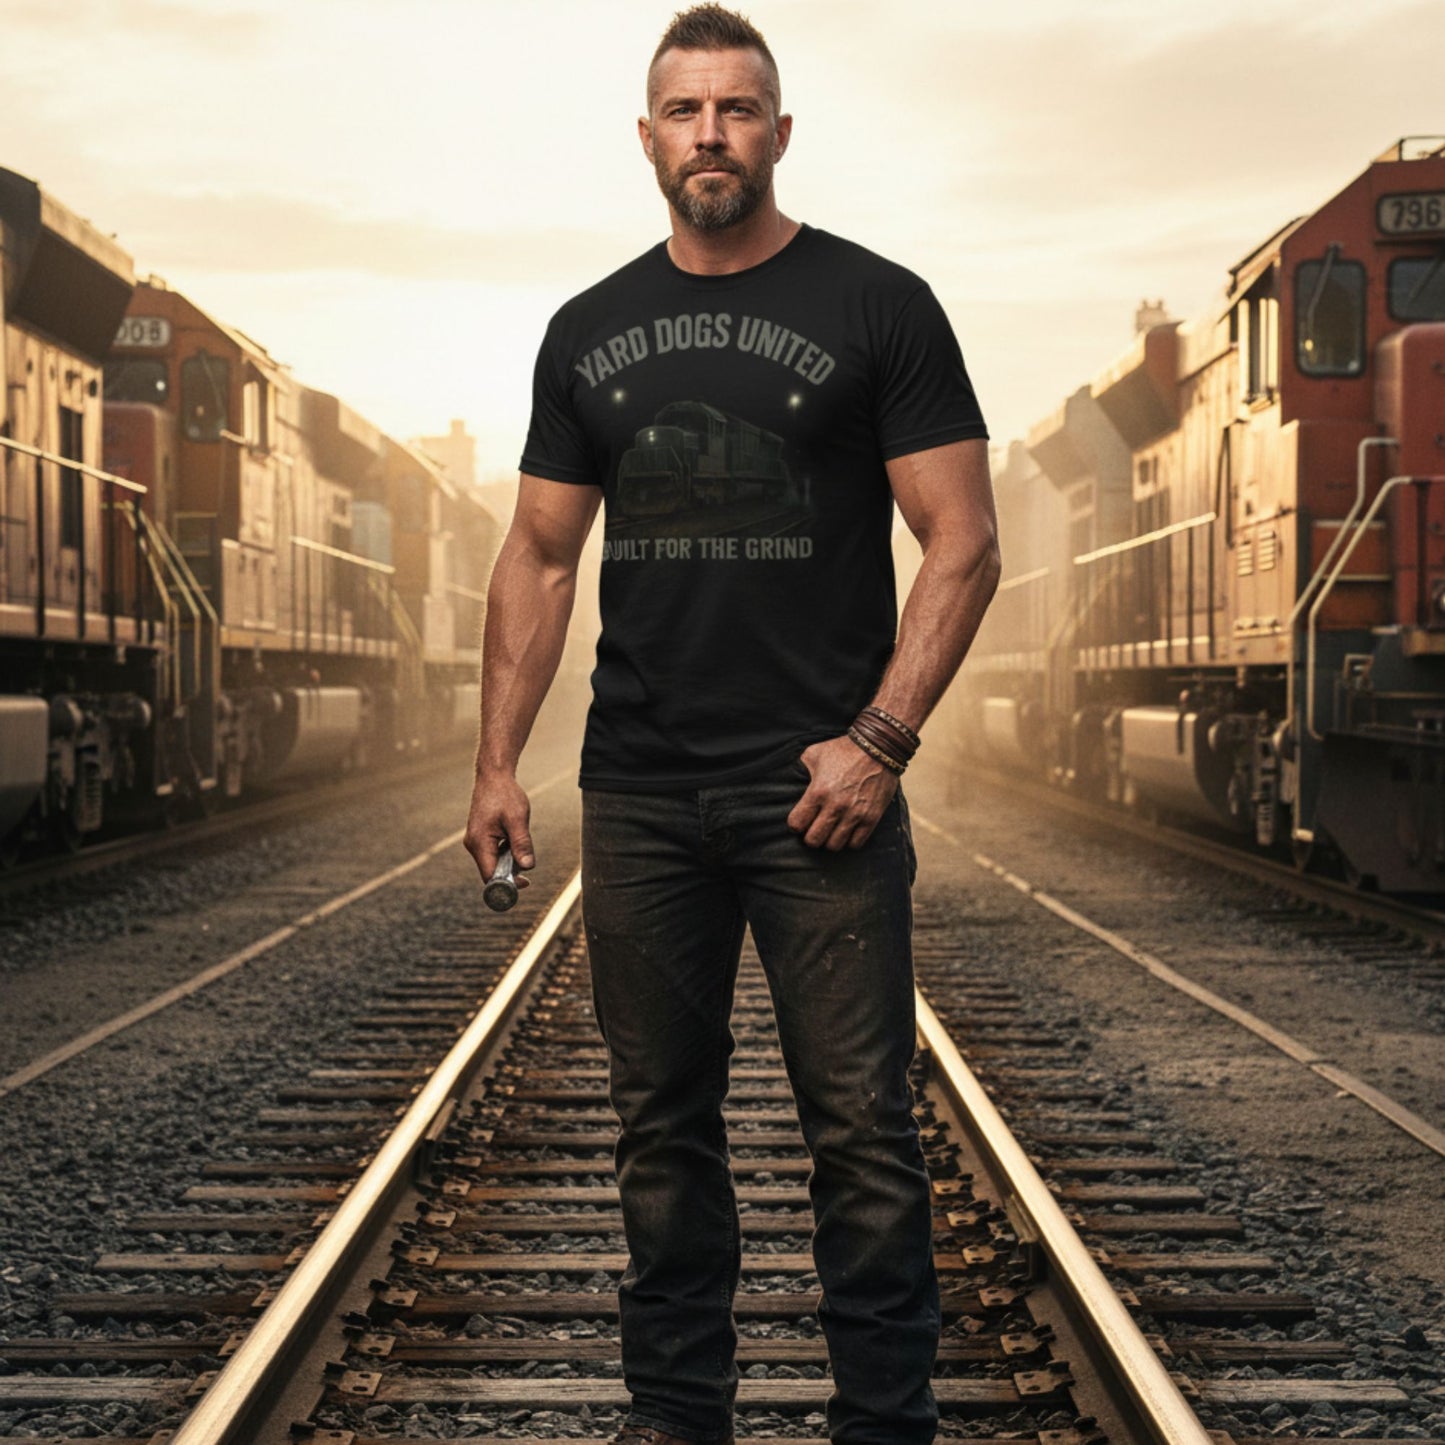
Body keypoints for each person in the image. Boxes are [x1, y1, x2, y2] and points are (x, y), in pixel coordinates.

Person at [464, 6, 1000, 1442]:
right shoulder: (586, 330)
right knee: (659, 1139)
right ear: (647, 138)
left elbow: (962, 541)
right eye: (686, 111)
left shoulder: (880, 306)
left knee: (863, 1137)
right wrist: (496, 762)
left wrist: (878, 742)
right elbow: (539, 556)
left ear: (779, 131)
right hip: (640, 795)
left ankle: (883, 1426)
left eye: (737, 108)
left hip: (821, 795)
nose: (711, 133)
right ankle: (675, 1418)